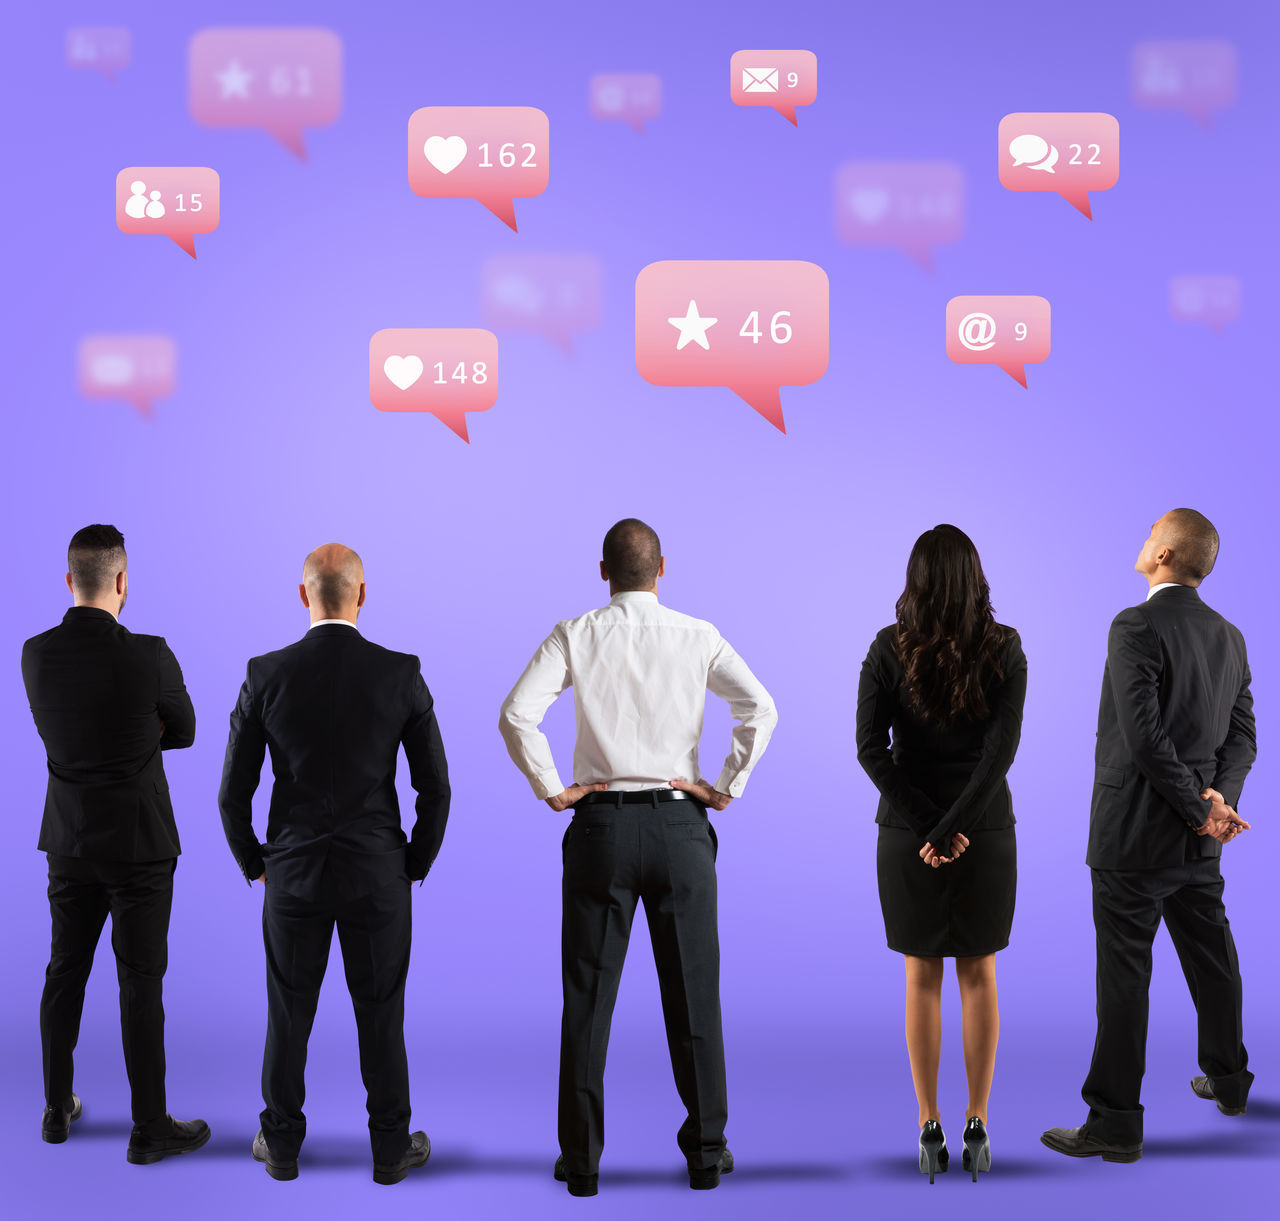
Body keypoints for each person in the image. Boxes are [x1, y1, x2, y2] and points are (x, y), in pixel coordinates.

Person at [498, 519, 777, 1197]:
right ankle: (706, 1154)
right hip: (681, 827)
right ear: (661, 569)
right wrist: (724, 785)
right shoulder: (698, 634)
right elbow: (760, 708)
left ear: (603, 571)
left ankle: (583, 1164)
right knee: (694, 997)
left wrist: (553, 789)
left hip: (600, 830)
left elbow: (516, 714)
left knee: (587, 1000)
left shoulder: (575, 632)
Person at [218, 543, 451, 1185]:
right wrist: (412, 864)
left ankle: (282, 1147)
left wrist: (254, 863)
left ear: (303, 596)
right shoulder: (400, 673)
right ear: (362, 594)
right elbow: (436, 787)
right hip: (378, 874)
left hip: (291, 874)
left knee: (289, 1011)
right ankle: (389, 1150)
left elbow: (231, 793)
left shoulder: (266, 674)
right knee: (381, 1010)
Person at [1043, 509, 1255, 1163]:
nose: (1140, 544)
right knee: (1212, 955)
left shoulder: (1133, 625)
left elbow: (1141, 736)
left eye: (1146, 536)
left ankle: (1115, 1121)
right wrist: (1219, 803)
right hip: (1199, 840)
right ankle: (1229, 1079)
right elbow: (1244, 735)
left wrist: (1199, 805)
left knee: (1126, 976)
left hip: (1133, 832)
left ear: (1163, 553)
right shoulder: (1230, 635)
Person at [21, 524, 210, 1163]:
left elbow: (63, 733)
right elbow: (182, 732)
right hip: (140, 844)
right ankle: (149, 1127)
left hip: (69, 840)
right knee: (140, 984)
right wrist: (140, 731)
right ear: (123, 582)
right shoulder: (150, 654)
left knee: (63, 971)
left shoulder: (34, 654)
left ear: (69, 580)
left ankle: (55, 1107)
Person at [856, 524, 1026, 1184]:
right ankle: (977, 1119)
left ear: (916, 580)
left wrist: (927, 824)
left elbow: (871, 749)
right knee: (979, 973)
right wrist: (957, 824)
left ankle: (928, 1122)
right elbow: (999, 753)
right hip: (983, 831)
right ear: (974, 576)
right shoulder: (1005, 646)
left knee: (920, 975)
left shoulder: (886, 646)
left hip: (906, 835)